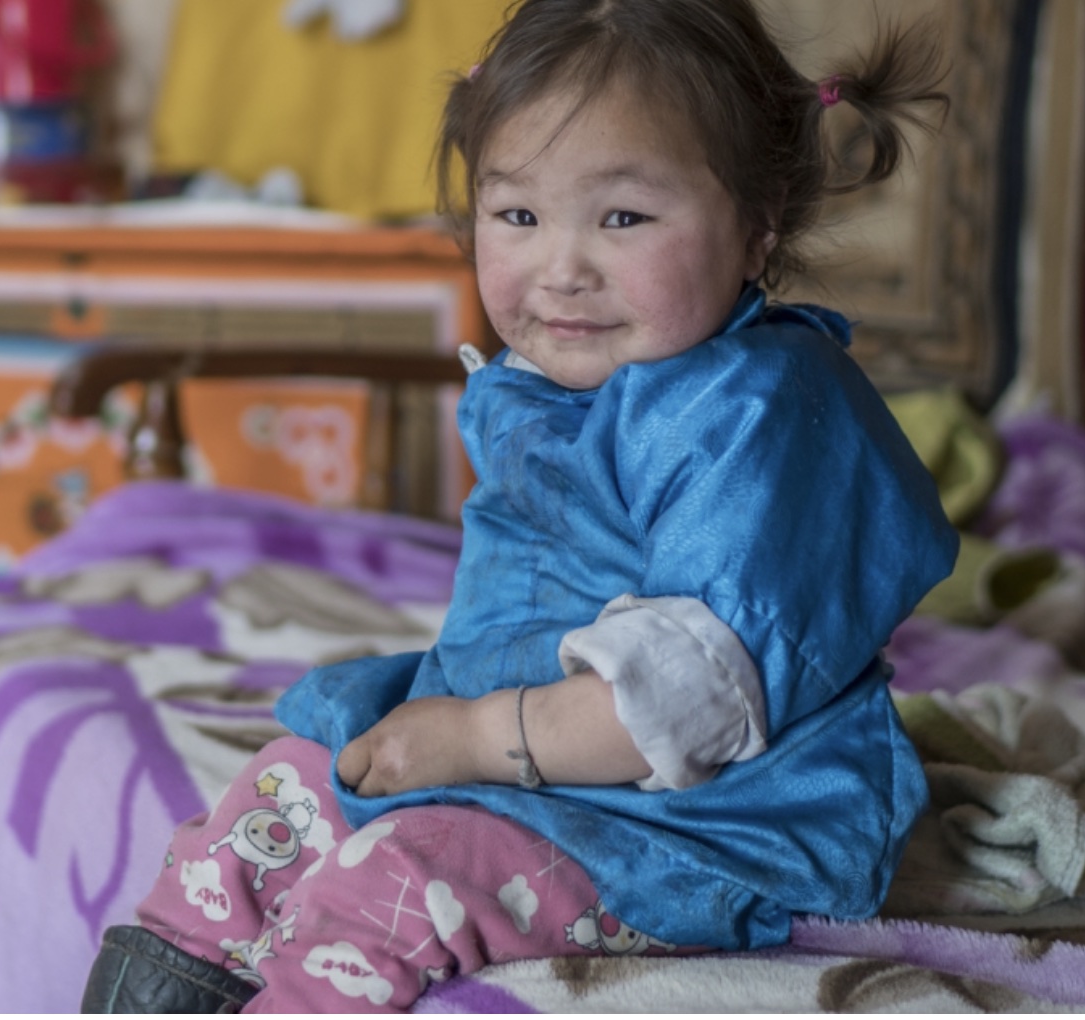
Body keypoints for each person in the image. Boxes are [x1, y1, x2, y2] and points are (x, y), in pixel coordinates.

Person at [80, 0, 957, 1012]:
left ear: (754, 230)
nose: (561, 267)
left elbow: (694, 693)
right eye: (517, 216)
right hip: (516, 758)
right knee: (272, 803)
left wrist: (470, 738)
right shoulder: (554, 378)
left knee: (400, 881)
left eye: (622, 217)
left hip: (691, 823)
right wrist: (455, 738)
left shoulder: (761, 409)